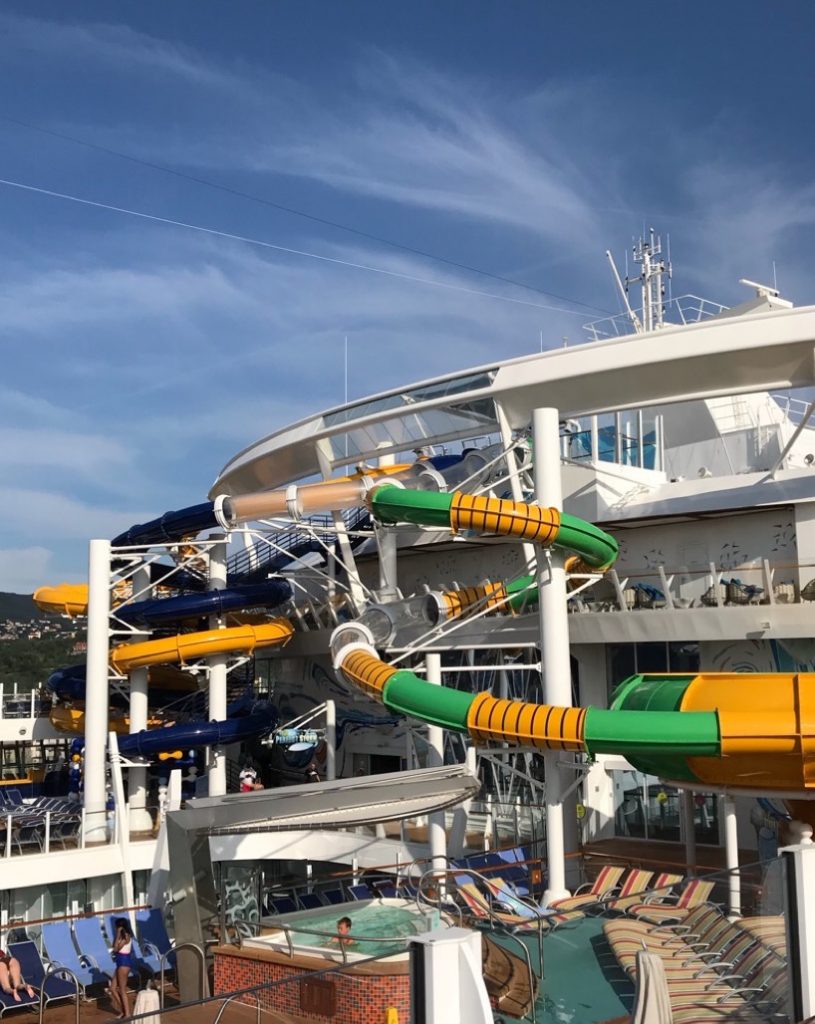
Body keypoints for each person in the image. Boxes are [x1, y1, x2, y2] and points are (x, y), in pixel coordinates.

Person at [107, 918, 133, 1019]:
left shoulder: (126, 937)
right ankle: (124, 1011)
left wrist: (117, 934)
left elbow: (115, 949)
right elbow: (114, 946)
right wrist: (117, 935)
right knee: (113, 988)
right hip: (120, 963)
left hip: (124, 963)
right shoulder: (121, 936)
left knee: (122, 990)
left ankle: (127, 1014)